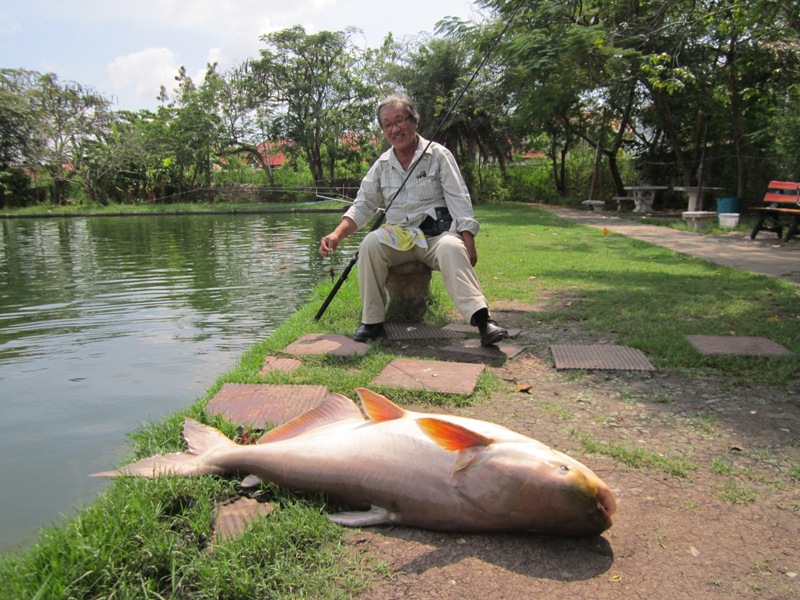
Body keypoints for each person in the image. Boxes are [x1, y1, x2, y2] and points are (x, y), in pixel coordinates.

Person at [319, 93, 508, 347]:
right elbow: (362, 206)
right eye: (388, 124)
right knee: (370, 245)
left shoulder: (439, 155)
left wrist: (468, 240)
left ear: (414, 121)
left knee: (452, 248)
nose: (395, 129)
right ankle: (372, 322)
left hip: (436, 236)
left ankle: (483, 320)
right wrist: (336, 235)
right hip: (398, 235)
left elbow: (459, 199)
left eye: (400, 121)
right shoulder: (382, 165)